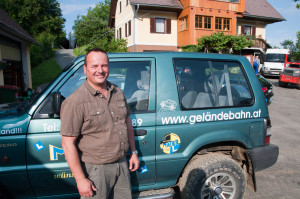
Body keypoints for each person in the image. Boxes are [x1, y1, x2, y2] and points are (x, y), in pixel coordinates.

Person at [60, 48, 139, 199]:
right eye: (94, 66)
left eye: (104, 66)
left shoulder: (117, 91)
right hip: (96, 171)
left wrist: (133, 152)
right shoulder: (75, 101)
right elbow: (67, 143)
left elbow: (127, 122)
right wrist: (81, 180)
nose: (100, 70)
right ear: (85, 69)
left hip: (122, 164)